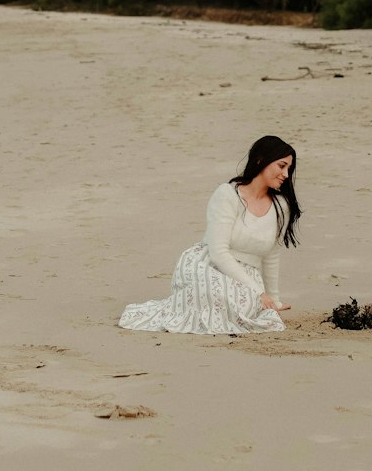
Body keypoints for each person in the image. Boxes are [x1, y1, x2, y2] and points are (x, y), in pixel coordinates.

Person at [118, 135, 302, 336]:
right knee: (216, 295)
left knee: (243, 307)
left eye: (288, 169)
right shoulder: (228, 195)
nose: (285, 174)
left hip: (247, 274)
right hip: (209, 265)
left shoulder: (281, 206)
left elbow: (271, 255)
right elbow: (218, 252)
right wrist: (258, 291)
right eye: (281, 166)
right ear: (260, 160)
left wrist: (273, 299)